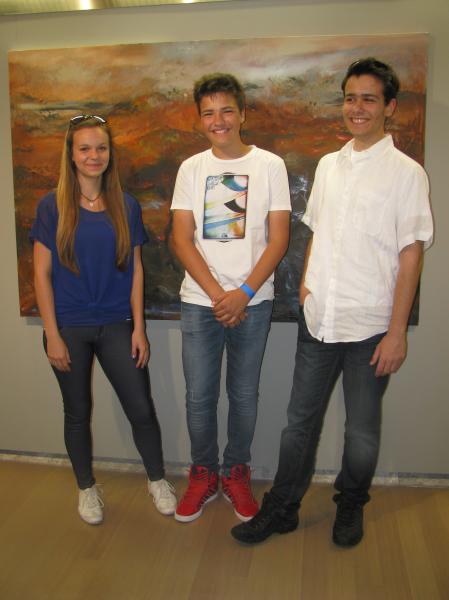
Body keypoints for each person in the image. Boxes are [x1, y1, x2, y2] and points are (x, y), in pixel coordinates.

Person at [231, 58, 433, 546]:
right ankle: (282, 508)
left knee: (361, 432)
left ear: (389, 107)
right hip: (319, 320)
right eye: (350, 98)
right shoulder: (329, 166)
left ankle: (351, 504)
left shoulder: (407, 174)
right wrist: (306, 288)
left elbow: (410, 255)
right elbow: (318, 233)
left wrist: (397, 332)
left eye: (369, 99)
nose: (357, 108)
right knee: (297, 426)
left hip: (371, 327)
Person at [31, 114, 176, 525]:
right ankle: (86, 488)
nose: (93, 156)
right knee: (77, 411)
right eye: (85, 148)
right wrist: (52, 334)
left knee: (141, 409)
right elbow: (41, 274)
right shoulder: (51, 205)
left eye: (101, 148)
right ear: (71, 154)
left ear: (110, 154)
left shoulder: (125, 205)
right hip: (69, 327)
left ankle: (157, 480)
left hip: (116, 324)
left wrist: (139, 328)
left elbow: (136, 269)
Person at [170, 73, 291, 523]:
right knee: (199, 397)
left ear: (242, 114)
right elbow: (181, 239)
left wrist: (243, 293)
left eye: (226, 110)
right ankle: (203, 474)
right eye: (208, 113)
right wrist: (219, 294)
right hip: (199, 302)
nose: (217, 120)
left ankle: (236, 473)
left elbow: (279, 239)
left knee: (243, 395)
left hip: (253, 303)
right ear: (200, 119)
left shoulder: (270, 166)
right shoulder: (191, 168)